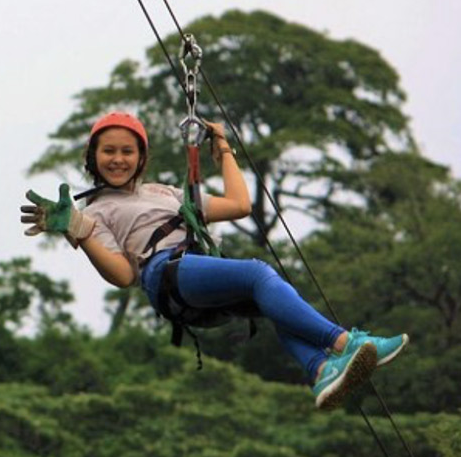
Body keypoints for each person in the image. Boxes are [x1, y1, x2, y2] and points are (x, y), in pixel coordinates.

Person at [20, 111, 409, 409]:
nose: (118, 159)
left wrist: (222, 146)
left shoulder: (164, 192)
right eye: (108, 151)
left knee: (271, 298)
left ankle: (321, 370)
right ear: (93, 157)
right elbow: (123, 275)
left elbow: (239, 205)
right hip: (164, 273)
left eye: (127, 151)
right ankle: (343, 342)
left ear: (141, 157)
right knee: (258, 274)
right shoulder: (95, 212)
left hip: (193, 271)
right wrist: (80, 230)